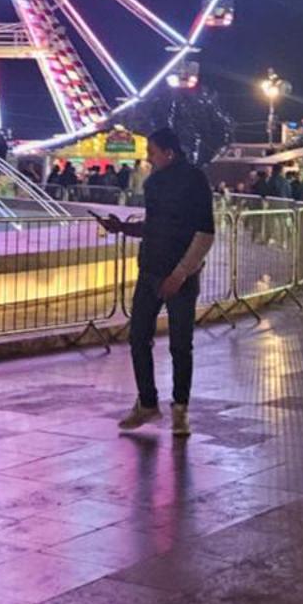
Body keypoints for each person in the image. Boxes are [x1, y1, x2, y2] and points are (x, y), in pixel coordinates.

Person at [100, 127, 215, 437]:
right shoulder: (154, 184)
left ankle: (180, 410)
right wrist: (122, 228)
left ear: (169, 153)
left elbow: (205, 232)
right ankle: (148, 403)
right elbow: (154, 226)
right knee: (138, 337)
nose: (147, 158)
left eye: (151, 152)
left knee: (181, 344)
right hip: (149, 270)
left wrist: (179, 274)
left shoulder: (194, 181)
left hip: (179, 276)